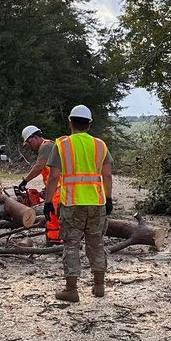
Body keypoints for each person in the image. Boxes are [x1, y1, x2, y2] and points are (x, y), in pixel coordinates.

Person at [43, 104, 113, 302]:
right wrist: (108, 199)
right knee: (96, 244)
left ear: (70, 122)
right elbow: (107, 175)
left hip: (72, 204)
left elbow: (54, 176)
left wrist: (48, 202)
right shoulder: (100, 145)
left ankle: (71, 289)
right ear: (89, 125)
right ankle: (99, 286)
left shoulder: (62, 145)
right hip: (97, 203)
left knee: (71, 245)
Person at [19, 125, 61, 244]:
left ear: (34, 137)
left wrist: (25, 181)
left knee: (53, 214)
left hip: (59, 187)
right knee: (53, 214)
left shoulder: (46, 146)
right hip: (55, 186)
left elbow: (39, 166)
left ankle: (55, 241)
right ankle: (54, 239)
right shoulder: (48, 146)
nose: (28, 145)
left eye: (28, 142)